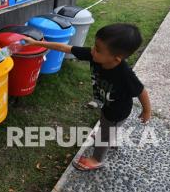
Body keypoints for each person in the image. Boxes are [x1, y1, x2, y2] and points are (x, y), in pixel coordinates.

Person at [23, 23, 152, 171]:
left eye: (97, 49)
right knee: (106, 126)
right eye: (94, 46)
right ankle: (109, 137)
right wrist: (36, 43)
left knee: (105, 133)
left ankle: (97, 159)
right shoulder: (96, 56)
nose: (92, 50)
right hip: (107, 105)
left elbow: (141, 91)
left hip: (118, 111)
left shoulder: (125, 74)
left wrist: (147, 110)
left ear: (116, 59)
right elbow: (64, 48)